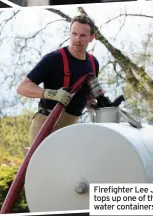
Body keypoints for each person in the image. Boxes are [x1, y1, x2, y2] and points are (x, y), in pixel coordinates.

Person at [17, 15, 100, 145]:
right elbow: (22, 87)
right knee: (42, 165)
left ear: (92, 38)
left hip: (72, 126)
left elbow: (87, 97)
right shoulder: (53, 59)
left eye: (83, 36)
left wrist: (92, 103)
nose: (77, 39)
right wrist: (52, 94)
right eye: (74, 34)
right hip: (46, 123)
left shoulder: (93, 63)